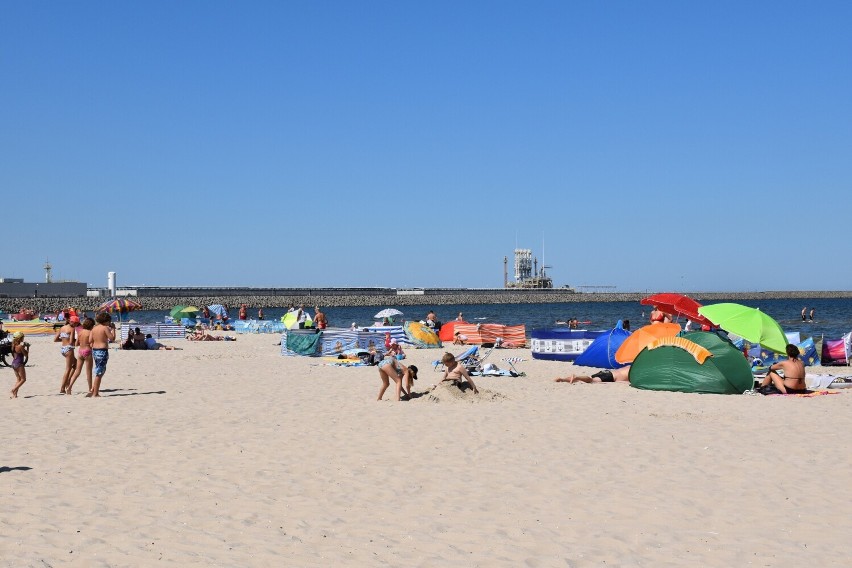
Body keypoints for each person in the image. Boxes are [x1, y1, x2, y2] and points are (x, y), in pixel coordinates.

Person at [89, 312, 116, 398]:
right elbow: (112, 338)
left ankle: (94, 390)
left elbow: (90, 340)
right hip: (102, 350)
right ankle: (95, 393)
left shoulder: (94, 329)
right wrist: (113, 329)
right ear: (106, 321)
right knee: (99, 373)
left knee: (98, 370)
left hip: (95, 350)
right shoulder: (105, 328)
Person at [67, 317, 95, 395]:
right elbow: (91, 343)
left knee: (77, 371)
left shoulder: (80, 332)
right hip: (87, 351)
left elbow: (76, 344)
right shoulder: (90, 332)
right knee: (88, 372)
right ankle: (90, 389)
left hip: (80, 352)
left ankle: (69, 387)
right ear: (91, 325)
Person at [55, 315, 79, 394]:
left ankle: (68, 381)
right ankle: (63, 387)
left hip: (63, 348)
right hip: (69, 349)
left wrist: (64, 340)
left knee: (75, 364)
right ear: (74, 323)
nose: (76, 325)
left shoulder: (62, 328)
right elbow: (72, 341)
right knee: (68, 369)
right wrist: (77, 340)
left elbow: (55, 339)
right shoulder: (72, 329)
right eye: (76, 323)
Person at [555, 366, 631, 384]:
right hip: (610, 377)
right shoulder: (633, 373)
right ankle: (576, 377)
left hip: (606, 372)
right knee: (591, 380)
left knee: (589, 378)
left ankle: (563, 379)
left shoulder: (628, 366)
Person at [9, 332, 29, 398]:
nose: (23, 338)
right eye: (23, 337)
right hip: (19, 364)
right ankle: (13, 390)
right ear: (20, 339)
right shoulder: (20, 346)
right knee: (23, 379)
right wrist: (27, 347)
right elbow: (26, 355)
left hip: (14, 363)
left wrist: (24, 346)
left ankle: (15, 395)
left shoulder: (13, 345)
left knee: (18, 379)